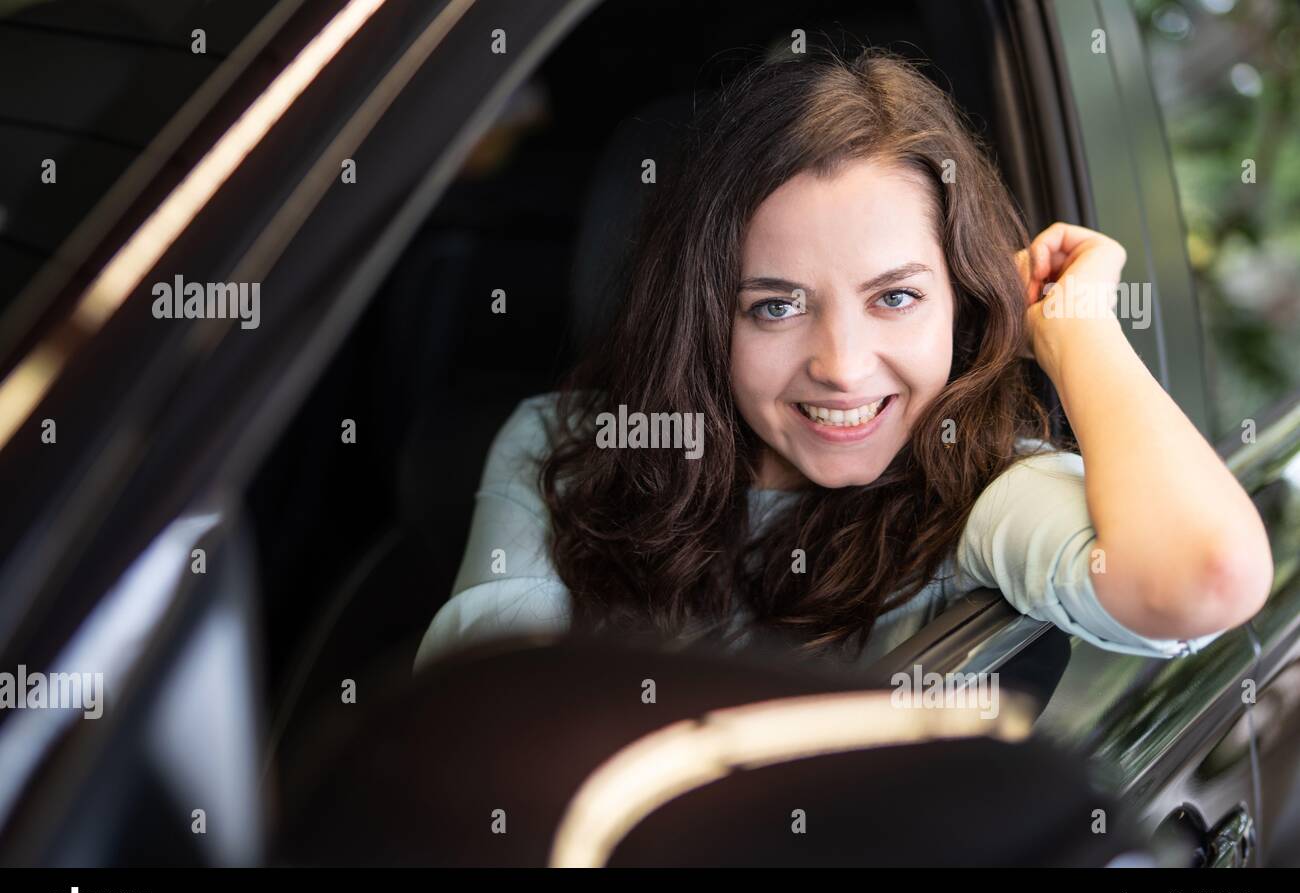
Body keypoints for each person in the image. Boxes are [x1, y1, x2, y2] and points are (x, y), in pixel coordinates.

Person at [414, 48, 1272, 674]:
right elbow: (474, 718)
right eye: (776, 305)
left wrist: (1076, 325)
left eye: (895, 297)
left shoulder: (971, 487)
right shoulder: (564, 445)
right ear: (707, 315)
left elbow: (1208, 575)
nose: (842, 366)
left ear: (965, 299)